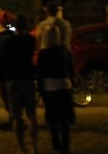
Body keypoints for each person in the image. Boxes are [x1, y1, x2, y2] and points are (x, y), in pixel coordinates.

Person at [2, 14, 39, 154]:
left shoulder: (8, 42)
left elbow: (3, 62)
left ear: (15, 26)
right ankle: (35, 147)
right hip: (27, 79)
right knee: (31, 114)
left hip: (13, 80)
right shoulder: (31, 40)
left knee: (16, 115)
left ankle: (22, 149)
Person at [37, 23, 76, 154]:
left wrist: (40, 91)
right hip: (64, 86)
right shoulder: (65, 51)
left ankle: (56, 146)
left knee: (53, 119)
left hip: (50, 87)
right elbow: (71, 69)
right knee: (64, 118)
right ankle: (66, 146)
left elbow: (40, 73)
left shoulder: (43, 53)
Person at [0, 9, 16, 127]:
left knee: (6, 94)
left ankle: (12, 115)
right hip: (14, 70)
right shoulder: (14, 35)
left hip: (4, 71)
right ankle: (14, 115)